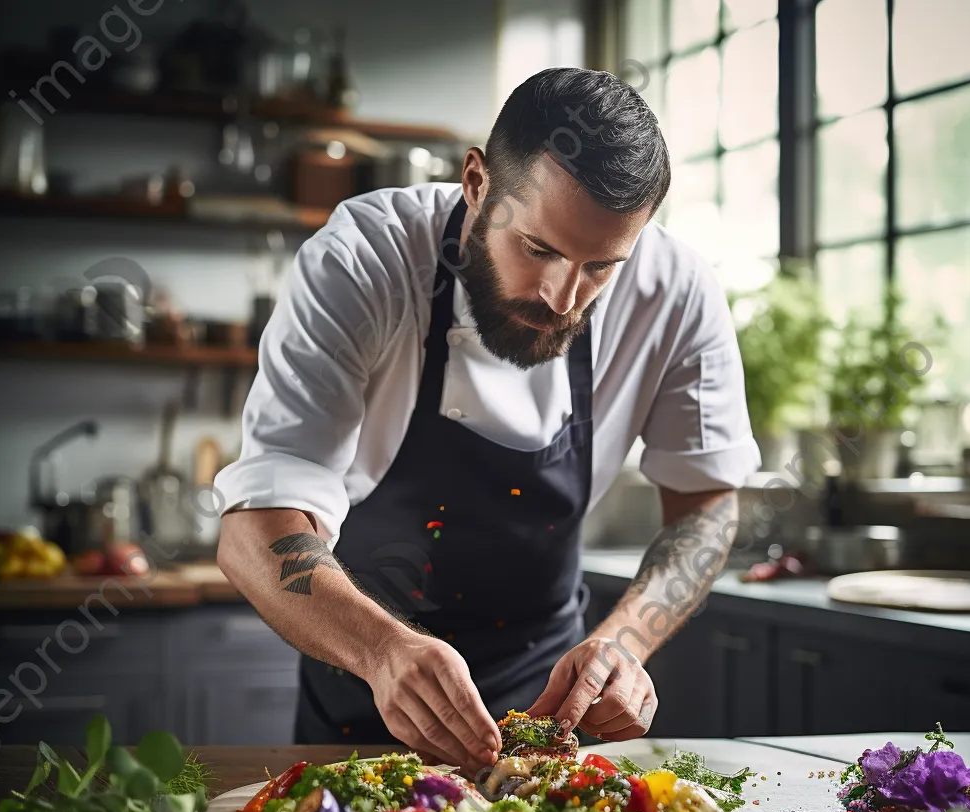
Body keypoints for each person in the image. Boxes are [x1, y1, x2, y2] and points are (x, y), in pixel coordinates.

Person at [215, 68, 760, 773]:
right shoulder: (365, 260)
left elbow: (707, 505)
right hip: (360, 701)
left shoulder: (677, 293)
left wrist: (626, 643)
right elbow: (253, 528)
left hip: (550, 724)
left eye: (600, 267)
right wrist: (384, 652)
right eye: (538, 249)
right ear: (476, 183)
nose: (563, 298)